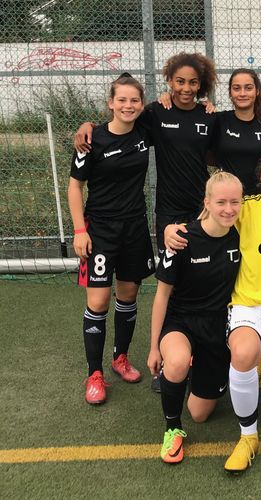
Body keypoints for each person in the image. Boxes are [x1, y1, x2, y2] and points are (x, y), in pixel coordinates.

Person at [164, 146, 261, 473]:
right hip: (252, 308)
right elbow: (212, 213)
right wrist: (171, 228)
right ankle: (248, 436)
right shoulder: (246, 207)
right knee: (244, 352)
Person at [75, 52, 218, 392]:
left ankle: (186, 357)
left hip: (195, 215)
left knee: (193, 283)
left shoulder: (208, 116)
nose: (186, 88)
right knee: (162, 285)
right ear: (169, 81)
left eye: (193, 82)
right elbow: (117, 125)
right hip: (156, 217)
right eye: (179, 81)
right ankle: (122, 368)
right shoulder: (154, 114)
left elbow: (222, 144)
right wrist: (87, 126)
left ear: (201, 84)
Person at [68, 73, 155, 405]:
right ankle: (94, 373)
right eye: (122, 100)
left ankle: (120, 358)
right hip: (100, 230)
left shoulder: (144, 131)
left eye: (134, 100)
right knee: (99, 301)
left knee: (128, 295)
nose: (128, 106)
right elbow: (75, 186)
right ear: (111, 103)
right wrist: (80, 230)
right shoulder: (91, 140)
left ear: (141, 104)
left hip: (134, 227)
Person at [148, 171, 242, 464]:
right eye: (221, 202)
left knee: (200, 414)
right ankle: (172, 430)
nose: (228, 209)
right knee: (176, 361)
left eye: (235, 202)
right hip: (181, 322)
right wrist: (153, 348)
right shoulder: (181, 239)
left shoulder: (243, 236)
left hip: (216, 328)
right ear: (207, 202)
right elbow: (161, 296)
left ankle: (191, 374)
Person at [160, 68, 261, 195]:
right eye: (236, 88)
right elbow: (197, 144)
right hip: (228, 199)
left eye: (248, 88)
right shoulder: (218, 120)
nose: (242, 93)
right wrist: (170, 96)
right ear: (230, 93)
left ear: (257, 91)